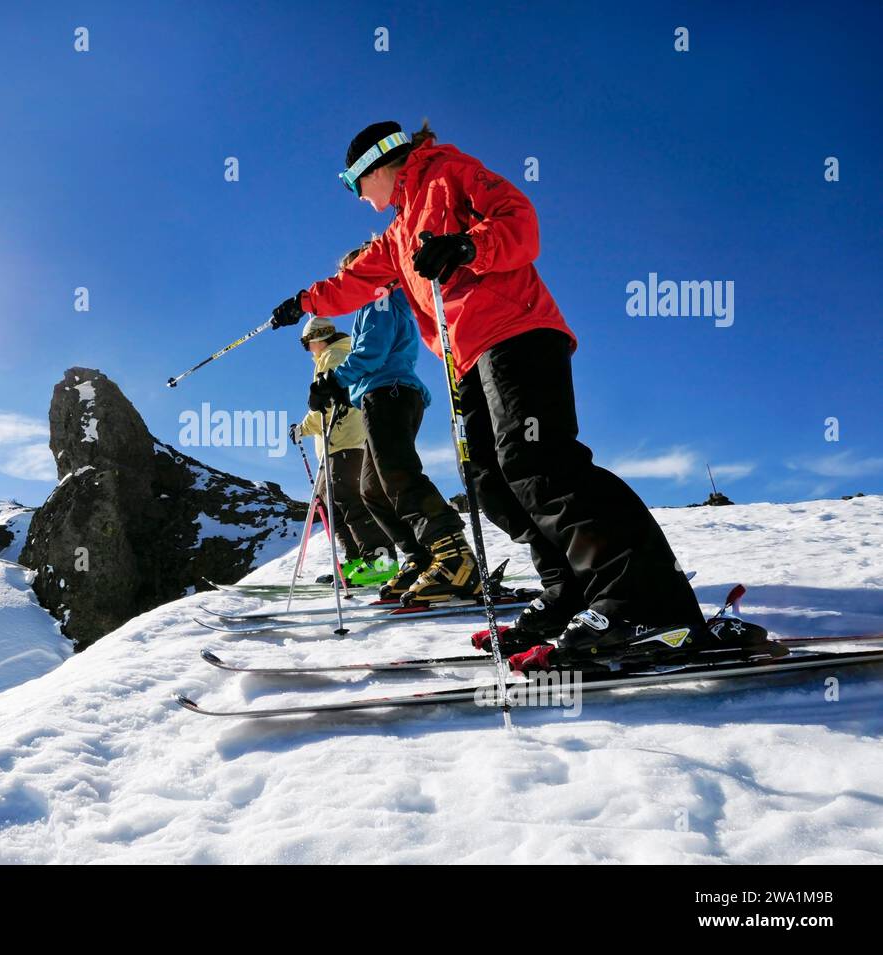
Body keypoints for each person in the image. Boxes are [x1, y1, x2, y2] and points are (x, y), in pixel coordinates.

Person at [271, 119, 704, 654]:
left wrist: (466, 247)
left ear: (376, 166)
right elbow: (354, 281)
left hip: (516, 331)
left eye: (351, 182)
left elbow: (521, 223)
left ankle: (646, 603)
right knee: (489, 479)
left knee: (539, 462)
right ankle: (569, 591)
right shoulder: (399, 231)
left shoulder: (449, 173)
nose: (356, 196)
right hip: (467, 358)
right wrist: (305, 303)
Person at [308, 245, 479, 604]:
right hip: (380, 393)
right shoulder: (378, 300)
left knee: (397, 473)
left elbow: (373, 350)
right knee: (372, 488)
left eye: (352, 272)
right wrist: (344, 391)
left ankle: (454, 556)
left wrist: (335, 381)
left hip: (390, 392)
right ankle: (420, 557)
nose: (348, 281)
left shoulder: (380, 295)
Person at [293, 316, 396, 587]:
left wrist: (303, 428)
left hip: (345, 441)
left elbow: (327, 405)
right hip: (335, 445)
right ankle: (356, 563)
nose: (308, 351)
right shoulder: (331, 356)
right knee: (336, 507)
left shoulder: (334, 356)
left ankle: (379, 563)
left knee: (351, 503)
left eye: (307, 345)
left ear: (316, 339)